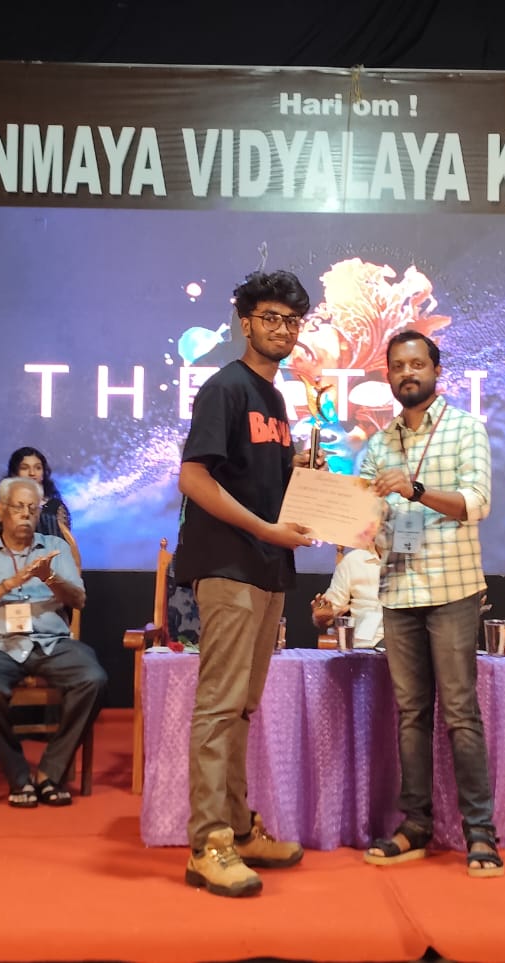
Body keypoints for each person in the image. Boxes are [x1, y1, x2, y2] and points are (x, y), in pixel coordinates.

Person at [175, 269, 317, 898]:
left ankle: (235, 828)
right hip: (229, 564)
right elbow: (193, 478)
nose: (282, 330)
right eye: (270, 318)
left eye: (291, 321)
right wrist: (264, 527)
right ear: (245, 323)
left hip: (267, 567)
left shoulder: (276, 402)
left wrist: (302, 475)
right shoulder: (225, 388)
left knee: (242, 706)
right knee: (219, 706)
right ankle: (208, 844)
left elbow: (266, 485)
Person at [359, 330, 503, 878]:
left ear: (437, 371)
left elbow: (477, 503)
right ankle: (415, 825)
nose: (407, 373)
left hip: (452, 589)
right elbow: (367, 520)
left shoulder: (466, 428)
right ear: (389, 376)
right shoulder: (378, 445)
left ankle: (480, 833)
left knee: (460, 713)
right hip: (398, 591)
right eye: (398, 366)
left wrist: (415, 489)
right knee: (411, 714)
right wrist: (338, 508)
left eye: (417, 364)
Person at [0, 476, 105, 808]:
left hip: (50, 642)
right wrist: (7, 585)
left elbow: (78, 600)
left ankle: (50, 771)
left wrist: (49, 577)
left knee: (93, 678)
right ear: (1, 511)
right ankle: (18, 774)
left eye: (32, 509)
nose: (26, 514)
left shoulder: (55, 548)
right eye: (19, 507)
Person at [0, 447, 72, 538]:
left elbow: (66, 540)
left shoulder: (56, 507)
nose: (32, 473)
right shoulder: (4, 505)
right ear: (15, 473)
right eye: (25, 468)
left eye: (38, 468)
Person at [310, 547, 384, 647]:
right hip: (366, 645)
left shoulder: (406, 560)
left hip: (401, 643)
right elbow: (330, 610)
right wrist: (324, 617)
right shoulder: (353, 560)